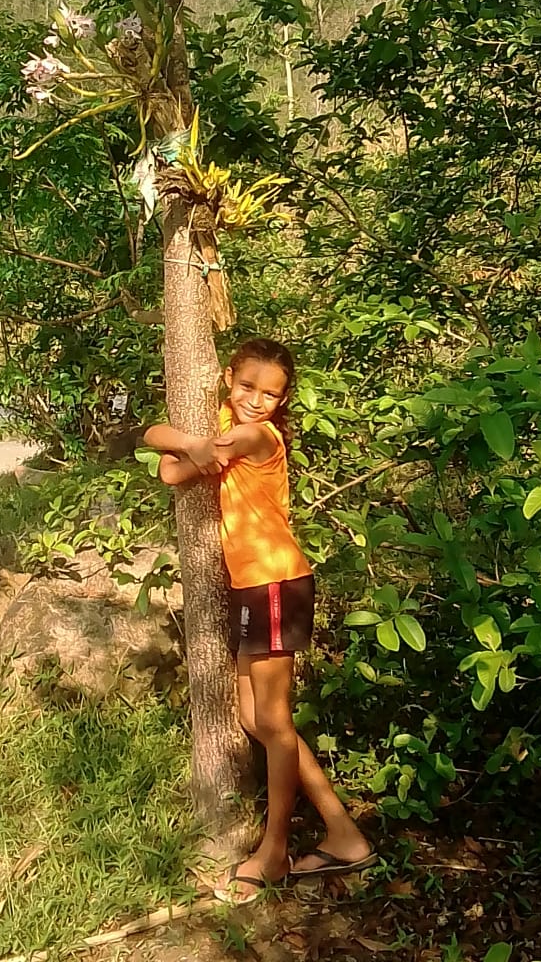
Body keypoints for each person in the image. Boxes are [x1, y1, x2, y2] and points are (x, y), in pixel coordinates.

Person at [144, 337, 375, 905]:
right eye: (246, 386)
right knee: (256, 719)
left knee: (272, 720)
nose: (255, 400)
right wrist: (196, 445)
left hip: (276, 582)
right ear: (228, 378)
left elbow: (185, 463)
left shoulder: (260, 436)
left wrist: (198, 449)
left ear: (282, 400)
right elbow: (159, 449)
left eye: (270, 394)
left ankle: (273, 852)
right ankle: (343, 833)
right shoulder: (225, 423)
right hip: (254, 587)